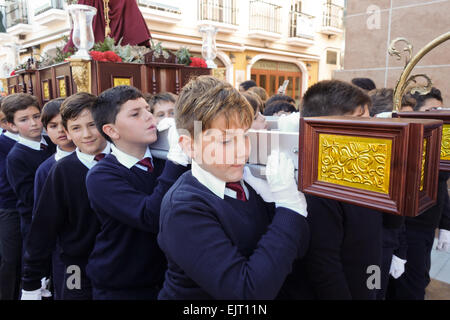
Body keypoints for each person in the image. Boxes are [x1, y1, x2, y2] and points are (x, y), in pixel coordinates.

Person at [157, 75, 309, 299]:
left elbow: (298, 250)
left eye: (244, 137)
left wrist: (275, 201)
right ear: (189, 145)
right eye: (226, 141)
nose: (241, 152)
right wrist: (287, 208)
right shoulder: (183, 208)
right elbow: (245, 293)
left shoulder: (246, 183)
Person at [85, 85, 189, 300]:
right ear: (112, 130)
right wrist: (176, 160)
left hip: (168, 280)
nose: (148, 117)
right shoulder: (101, 176)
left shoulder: (163, 161)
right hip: (122, 285)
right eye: (135, 114)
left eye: (147, 110)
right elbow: (150, 216)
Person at [281, 80, 382, 300]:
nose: (374, 128)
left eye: (370, 118)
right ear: (327, 127)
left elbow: (381, 230)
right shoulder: (318, 184)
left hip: (369, 273)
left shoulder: (365, 166)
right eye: (360, 120)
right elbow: (324, 266)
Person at [21, 92, 110, 300]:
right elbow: (43, 227)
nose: (86, 135)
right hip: (76, 266)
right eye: (76, 128)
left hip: (119, 265)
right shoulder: (60, 171)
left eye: (92, 125)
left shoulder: (124, 161)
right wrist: (31, 281)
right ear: (68, 132)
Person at [32, 98, 76, 300]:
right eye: (53, 126)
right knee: (71, 291)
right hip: (66, 256)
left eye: (65, 124)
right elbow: (42, 221)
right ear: (45, 130)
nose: (61, 130)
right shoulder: (46, 170)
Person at [368, 88, 408, 300]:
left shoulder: (403, 151)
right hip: (370, 250)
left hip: (387, 244)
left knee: (378, 292)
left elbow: (400, 212)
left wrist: (400, 251)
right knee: (371, 290)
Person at [2, 93, 55, 249]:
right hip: (37, 222)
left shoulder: (53, 143)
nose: (34, 123)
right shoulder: (16, 157)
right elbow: (29, 196)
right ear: (12, 125)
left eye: (36, 116)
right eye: (24, 120)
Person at [0, 105, 21, 300]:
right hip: (9, 207)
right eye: (23, 119)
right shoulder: (3, 144)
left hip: (30, 207)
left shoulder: (43, 142)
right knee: (10, 258)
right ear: (7, 124)